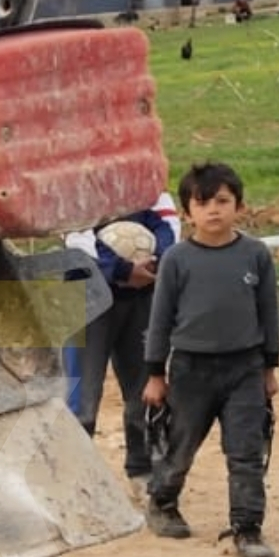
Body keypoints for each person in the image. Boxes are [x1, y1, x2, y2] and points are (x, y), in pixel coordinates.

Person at [141, 161, 279, 557]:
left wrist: (269, 368)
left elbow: (268, 312)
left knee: (246, 452)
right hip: (190, 369)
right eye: (202, 203)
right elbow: (161, 317)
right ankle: (162, 501)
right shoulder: (177, 259)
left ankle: (247, 527)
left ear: (239, 206)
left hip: (245, 369)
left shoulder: (255, 255)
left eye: (222, 201)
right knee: (181, 445)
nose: (213, 211)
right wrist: (155, 372)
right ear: (188, 212)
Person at [74, 191, 179, 487]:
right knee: (80, 397)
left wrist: (153, 264)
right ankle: (74, 480)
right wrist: (120, 269)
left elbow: (169, 229)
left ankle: (143, 473)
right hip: (85, 297)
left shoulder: (147, 186)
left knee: (144, 392)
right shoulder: (76, 185)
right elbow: (75, 238)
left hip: (142, 298)